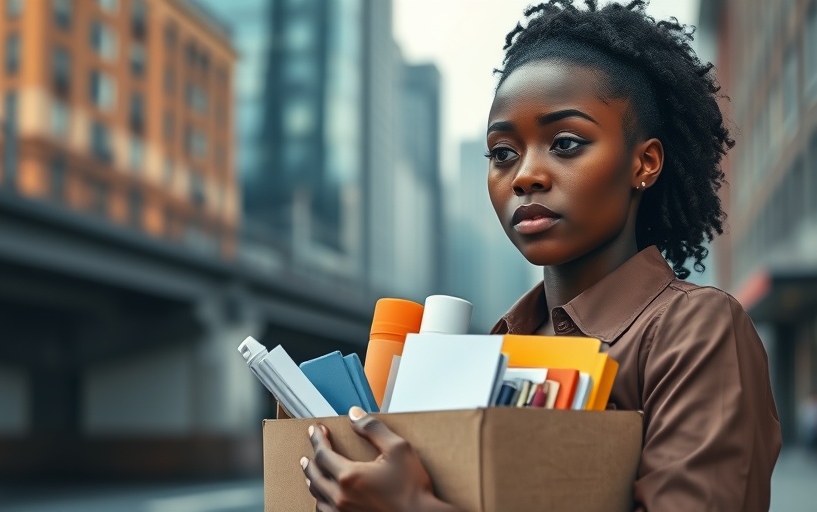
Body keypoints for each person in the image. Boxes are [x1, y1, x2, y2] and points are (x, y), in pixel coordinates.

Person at [299, 1, 782, 510]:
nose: (525, 174)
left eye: (566, 143)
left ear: (645, 163)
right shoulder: (499, 344)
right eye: (503, 153)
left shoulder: (697, 330)